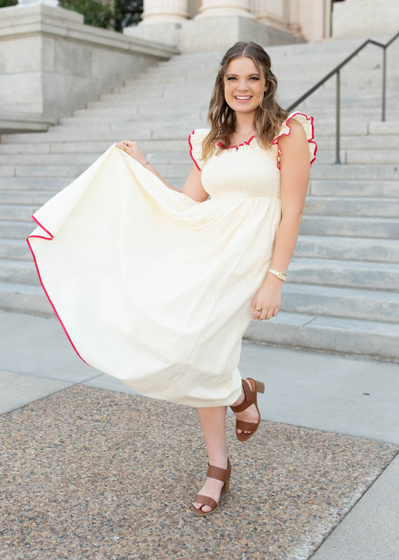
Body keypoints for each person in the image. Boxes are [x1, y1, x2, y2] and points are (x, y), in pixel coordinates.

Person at [26, 41, 317, 517]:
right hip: (207, 251)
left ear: (267, 83)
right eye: (232, 78)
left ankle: (233, 414)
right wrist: (141, 168)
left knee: (204, 351)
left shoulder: (287, 134)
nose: (241, 88)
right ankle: (227, 433)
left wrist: (275, 278)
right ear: (222, 84)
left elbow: (293, 212)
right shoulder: (212, 142)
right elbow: (186, 204)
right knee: (194, 350)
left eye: (251, 78)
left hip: (248, 262)